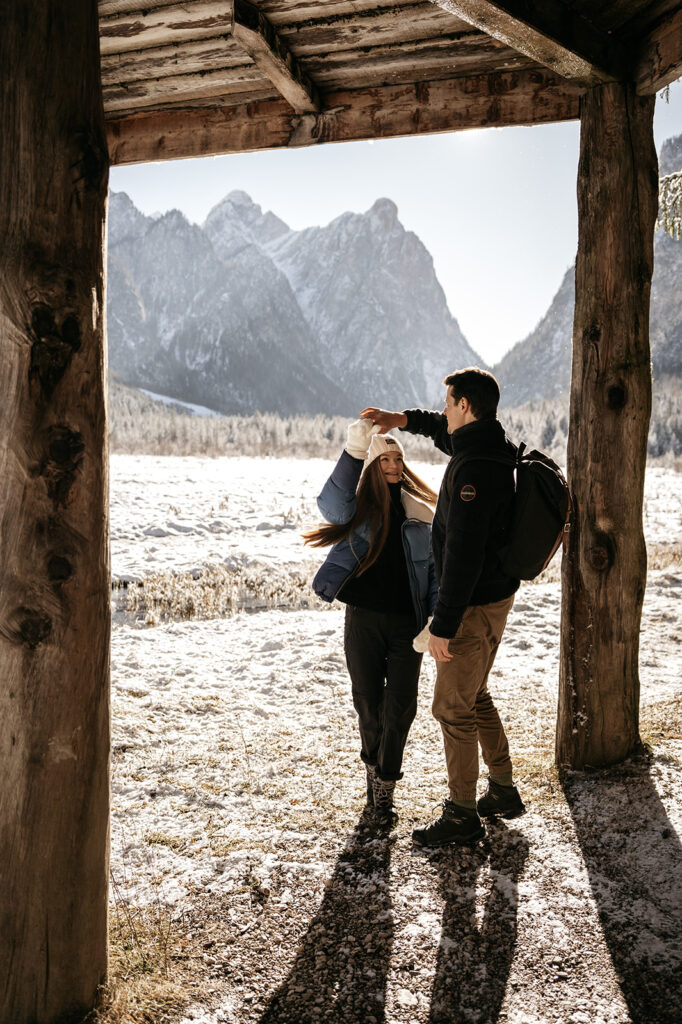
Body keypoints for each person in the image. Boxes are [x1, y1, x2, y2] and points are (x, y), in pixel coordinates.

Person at [361, 367, 525, 847]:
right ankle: (503, 789)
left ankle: (461, 814)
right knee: (474, 695)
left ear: (466, 406)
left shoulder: (473, 469)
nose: (445, 409)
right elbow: (440, 428)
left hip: (472, 606)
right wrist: (405, 419)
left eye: (449, 402)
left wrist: (443, 625)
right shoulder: (489, 446)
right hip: (496, 598)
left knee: (452, 707)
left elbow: (462, 558)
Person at [304, 419, 438, 823]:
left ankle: (386, 784)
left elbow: (434, 574)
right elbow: (329, 503)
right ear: (373, 467)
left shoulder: (422, 515)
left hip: (407, 625)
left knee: (401, 707)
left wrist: (434, 617)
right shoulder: (356, 510)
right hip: (362, 619)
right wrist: (353, 451)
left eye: (399, 459)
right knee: (368, 702)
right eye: (385, 460)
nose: (395, 465)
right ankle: (372, 768)